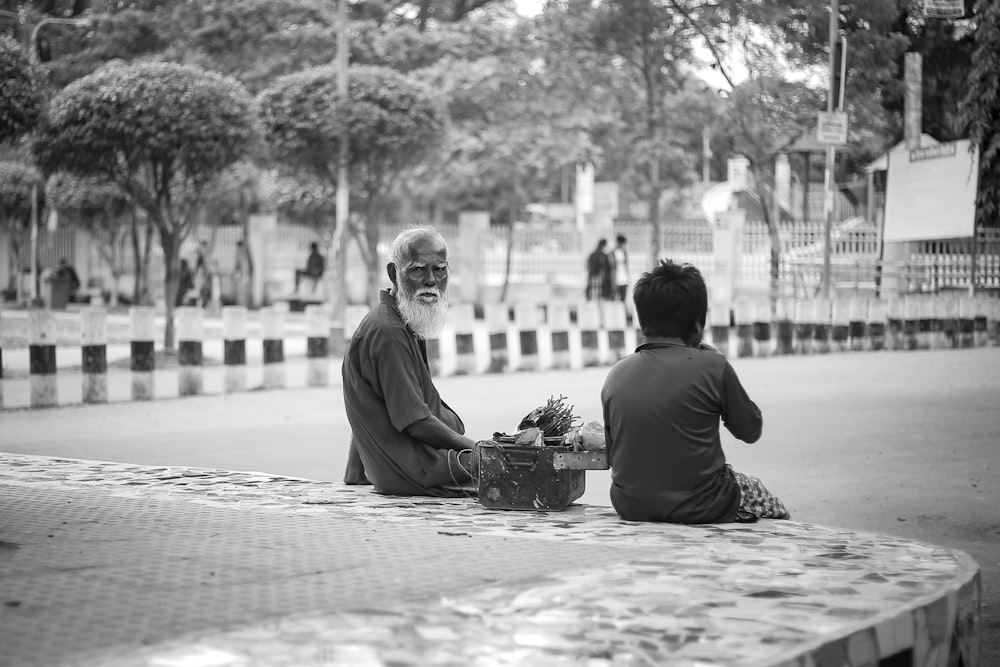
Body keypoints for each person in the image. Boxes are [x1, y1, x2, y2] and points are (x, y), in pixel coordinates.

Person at [601, 259, 789, 524]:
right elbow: (750, 430)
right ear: (698, 325)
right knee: (773, 505)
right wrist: (722, 367)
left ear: (643, 323)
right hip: (706, 504)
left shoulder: (615, 375)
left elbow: (613, 453)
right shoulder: (713, 366)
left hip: (630, 505)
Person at [341, 226, 478, 496]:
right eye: (417, 270)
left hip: (413, 462)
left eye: (439, 269)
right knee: (510, 461)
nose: (430, 280)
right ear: (394, 274)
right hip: (415, 470)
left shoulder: (403, 319)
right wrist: (477, 449)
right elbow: (415, 421)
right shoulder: (389, 333)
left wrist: (354, 473)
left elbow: (371, 402)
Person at [610, 234, 630, 301]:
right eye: (623, 244)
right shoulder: (612, 253)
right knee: (614, 301)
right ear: (619, 243)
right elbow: (611, 268)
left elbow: (626, 265)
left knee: (623, 301)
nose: (624, 246)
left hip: (624, 280)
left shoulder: (625, 252)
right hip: (615, 281)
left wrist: (628, 277)